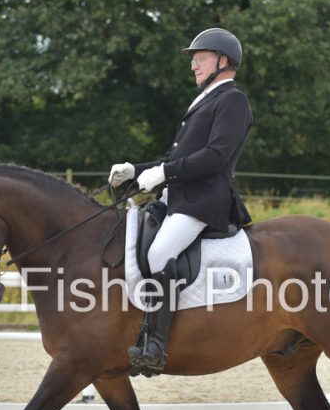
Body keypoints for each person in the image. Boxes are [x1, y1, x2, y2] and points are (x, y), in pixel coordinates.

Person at [109, 27, 254, 376]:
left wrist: (163, 173)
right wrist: (135, 170)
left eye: (200, 59)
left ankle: (157, 345)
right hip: (176, 199)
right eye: (194, 60)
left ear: (223, 61)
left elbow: (215, 156)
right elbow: (175, 159)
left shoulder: (233, 100)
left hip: (202, 202)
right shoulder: (204, 100)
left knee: (160, 254)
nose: (194, 66)